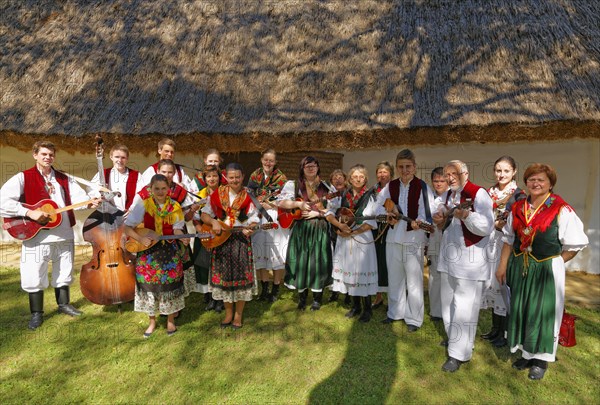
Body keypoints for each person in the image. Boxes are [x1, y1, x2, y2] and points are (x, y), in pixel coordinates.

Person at [496, 163, 588, 380]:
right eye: (531, 180)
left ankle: (541, 359)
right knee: (523, 309)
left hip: (546, 269)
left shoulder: (560, 209)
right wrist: (502, 265)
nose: (535, 184)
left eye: (541, 180)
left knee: (543, 313)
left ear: (550, 184)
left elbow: (575, 245)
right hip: (519, 266)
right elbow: (509, 239)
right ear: (526, 182)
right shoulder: (518, 208)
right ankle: (526, 353)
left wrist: (554, 262)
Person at [0, 141, 101, 330]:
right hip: (37, 235)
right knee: (34, 271)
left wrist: (89, 203)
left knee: (64, 269)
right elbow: (2, 200)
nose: (48, 158)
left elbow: (78, 198)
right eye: (44, 154)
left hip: (63, 232)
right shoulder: (23, 177)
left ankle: (64, 305)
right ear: (35, 155)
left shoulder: (64, 178)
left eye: (51, 155)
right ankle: (37, 314)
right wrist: (30, 213)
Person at [432, 160, 494, 372]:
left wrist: (467, 215)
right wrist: (440, 219)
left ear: (465, 173)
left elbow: (487, 226)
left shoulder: (479, 194)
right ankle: (454, 339)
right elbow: (445, 224)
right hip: (450, 257)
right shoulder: (451, 195)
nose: (450, 177)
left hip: (470, 260)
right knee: (449, 301)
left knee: (465, 307)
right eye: (447, 174)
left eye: (454, 173)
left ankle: (459, 354)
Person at [124, 174, 188, 337]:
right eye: (156, 188)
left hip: (169, 251)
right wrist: (140, 238)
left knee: (170, 286)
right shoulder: (143, 205)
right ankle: (152, 322)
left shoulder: (175, 206)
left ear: (169, 189)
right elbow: (127, 227)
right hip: (148, 253)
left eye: (163, 188)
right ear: (150, 189)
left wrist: (183, 238)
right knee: (149, 286)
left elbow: (177, 229)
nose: (160, 192)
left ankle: (171, 322)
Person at [376, 149, 431, 332]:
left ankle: (414, 319)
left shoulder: (422, 186)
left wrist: (419, 223)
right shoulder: (390, 187)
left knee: (414, 280)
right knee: (395, 278)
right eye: (401, 167)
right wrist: (387, 214)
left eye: (408, 166)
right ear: (397, 168)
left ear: (414, 167)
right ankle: (395, 313)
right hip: (393, 238)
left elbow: (426, 212)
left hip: (413, 239)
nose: (405, 170)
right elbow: (377, 207)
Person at [278, 156, 342, 310]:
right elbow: (280, 202)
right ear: (302, 168)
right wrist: (298, 203)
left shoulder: (327, 187)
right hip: (300, 229)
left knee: (317, 261)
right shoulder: (292, 185)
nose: (311, 168)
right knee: (300, 261)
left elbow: (334, 208)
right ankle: (302, 297)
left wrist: (318, 214)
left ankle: (317, 299)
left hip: (319, 228)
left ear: (318, 167)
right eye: (307, 166)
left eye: (313, 166)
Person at [201, 163, 259, 329]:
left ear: (243, 177)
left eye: (238, 177)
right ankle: (228, 313)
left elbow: (255, 218)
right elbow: (204, 214)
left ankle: (238, 315)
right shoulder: (217, 195)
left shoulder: (248, 196)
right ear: (226, 177)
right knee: (224, 278)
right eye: (231, 177)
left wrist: (252, 228)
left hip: (240, 241)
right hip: (221, 242)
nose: (235, 180)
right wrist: (213, 222)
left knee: (241, 280)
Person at [480, 156, 525, 347]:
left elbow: (521, 222)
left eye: (506, 171)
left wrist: (503, 224)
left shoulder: (519, 195)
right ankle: (495, 329)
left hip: (506, 245)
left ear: (514, 171)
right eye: (498, 170)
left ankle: (505, 333)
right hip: (488, 243)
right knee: (492, 285)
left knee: (503, 285)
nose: (502, 174)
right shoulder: (488, 192)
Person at [331, 164, 379, 322]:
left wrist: (353, 232)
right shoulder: (343, 195)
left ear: (365, 179)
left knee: (361, 270)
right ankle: (355, 305)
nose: (358, 179)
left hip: (361, 237)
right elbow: (336, 214)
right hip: (345, 236)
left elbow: (371, 220)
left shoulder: (370, 196)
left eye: (361, 176)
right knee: (349, 268)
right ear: (349, 179)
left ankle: (367, 309)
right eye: (355, 176)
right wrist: (340, 229)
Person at [247, 149, 289, 303]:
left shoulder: (281, 178)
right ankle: (264, 289)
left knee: (276, 254)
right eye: (266, 160)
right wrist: (258, 204)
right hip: (257, 217)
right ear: (261, 160)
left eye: (271, 160)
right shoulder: (254, 175)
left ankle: (275, 289)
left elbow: (286, 199)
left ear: (275, 162)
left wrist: (270, 204)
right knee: (261, 252)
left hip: (274, 217)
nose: (268, 163)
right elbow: (249, 194)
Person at [191, 165, 222, 311]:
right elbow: (196, 218)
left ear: (219, 177)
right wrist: (200, 231)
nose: (212, 179)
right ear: (204, 179)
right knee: (205, 264)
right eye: (208, 176)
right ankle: (209, 295)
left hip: (220, 232)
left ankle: (220, 298)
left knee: (219, 266)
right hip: (204, 232)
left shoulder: (224, 193)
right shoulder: (199, 195)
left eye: (214, 176)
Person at [91, 144, 145, 213]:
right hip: (107, 214)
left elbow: (141, 196)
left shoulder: (136, 175)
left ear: (127, 159)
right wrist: (98, 195)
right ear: (111, 157)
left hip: (128, 216)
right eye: (117, 157)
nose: (120, 160)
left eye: (123, 157)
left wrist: (132, 210)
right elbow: (91, 190)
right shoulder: (103, 174)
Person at [371, 161, 394, 310]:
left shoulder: (396, 189)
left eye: (385, 172)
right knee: (378, 262)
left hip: (391, 229)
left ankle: (392, 299)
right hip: (376, 229)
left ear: (391, 174)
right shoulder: (372, 190)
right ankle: (378, 297)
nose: (382, 174)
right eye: (379, 172)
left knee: (390, 264)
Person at [427, 167, 448, 322]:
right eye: (436, 181)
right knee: (434, 274)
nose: (439, 183)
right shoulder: (429, 197)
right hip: (434, 238)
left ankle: (447, 309)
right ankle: (435, 311)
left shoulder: (452, 197)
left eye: (442, 180)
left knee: (447, 276)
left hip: (449, 241)